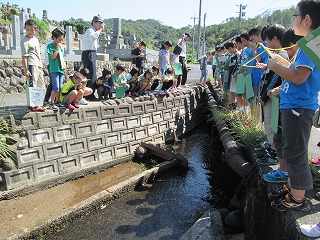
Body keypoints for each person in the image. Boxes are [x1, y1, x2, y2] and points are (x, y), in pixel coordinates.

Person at [267, 0, 320, 212]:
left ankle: (298, 198)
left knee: (295, 152)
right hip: (296, 105)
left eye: (295, 15)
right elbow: (297, 72)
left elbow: (299, 77)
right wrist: (281, 66)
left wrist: (274, 66)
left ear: (306, 19)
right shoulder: (311, 43)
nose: (294, 19)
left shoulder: (309, 44)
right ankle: (295, 189)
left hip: (298, 106)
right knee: (291, 150)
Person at [261, 29, 302, 184]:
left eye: (289, 48)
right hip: (284, 102)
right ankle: (283, 171)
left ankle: (292, 184)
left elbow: (289, 77)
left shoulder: (301, 57)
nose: (287, 52)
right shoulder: (292, 59)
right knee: (280, 138)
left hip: (294, 107)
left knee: (289, 144)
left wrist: (273, 65)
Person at [255, 24, 288, 166]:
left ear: (275, 39)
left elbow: (275, 78)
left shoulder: (280, 55)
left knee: (271, 124)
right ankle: (271, 149)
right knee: (268, 123)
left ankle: (273, 154)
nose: (266, 44)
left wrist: (264, 96)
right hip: (269, 96)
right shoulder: (276, 55)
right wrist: (266, 67)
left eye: (267, 41)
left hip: (272, 97)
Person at [20, 19, 46, 112]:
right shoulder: (24, 40)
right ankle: (33, 105)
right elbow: (24, 56)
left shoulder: (35, 39)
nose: (30, 32)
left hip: (38, 64)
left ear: (35, 29)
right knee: (33, 85)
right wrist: (26, 69)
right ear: (25, 29)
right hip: (31, 64)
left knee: (41, 85)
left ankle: (39, 103)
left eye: (32, 30)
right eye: (27, 30)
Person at [81, 15, 105, 100]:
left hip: (91, 53)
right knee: (90, 74)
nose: (101, 25)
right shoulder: (90, 30)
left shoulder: (92, 30)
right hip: (89, 53)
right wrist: (100, 30)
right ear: (94, 22)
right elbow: (92, 38)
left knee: (92, 74)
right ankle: (89, 95)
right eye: (100, 23)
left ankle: (90, 94)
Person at [47, 28, 66, 111]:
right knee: (55, 87)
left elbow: (62, 57)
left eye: (62, 40)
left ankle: (58, 101)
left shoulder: (61, 47)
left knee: (60, 87)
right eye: (59, 39)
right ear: (54, 38)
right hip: (54, 69)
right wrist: (57, 48)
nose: (61, 41)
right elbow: (53, 56)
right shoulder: (50, 46)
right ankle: (51, 102)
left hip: (61, 69)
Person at [225, 41, 241, 110]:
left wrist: (237, 72)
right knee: (232, 91)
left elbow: (240, 64)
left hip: (237, 75)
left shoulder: (238, 54)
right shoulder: (231, 56)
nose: (229, 51)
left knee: (237, 92)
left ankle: (236, 106)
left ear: (234, 47)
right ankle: (231, 104)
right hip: (232, 75)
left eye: (229, 49)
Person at [43, 37, 54, 106]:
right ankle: (47, 99)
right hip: (51, 64)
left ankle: (48, 99)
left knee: (54, 83)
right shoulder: (50, 42)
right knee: (53, 82)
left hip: (54, 65)